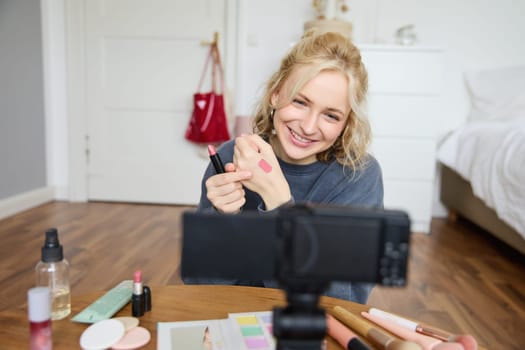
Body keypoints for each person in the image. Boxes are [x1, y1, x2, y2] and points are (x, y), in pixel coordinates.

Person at [191, 29, 383, 304]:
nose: (307, 127)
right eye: (300, 101)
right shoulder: (231, 156)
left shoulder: (358, 177)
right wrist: (221, 222)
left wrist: (280, 204)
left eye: (330, 115)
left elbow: (339, 303)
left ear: (347, 122)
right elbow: (201, 287)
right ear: (275, 94)